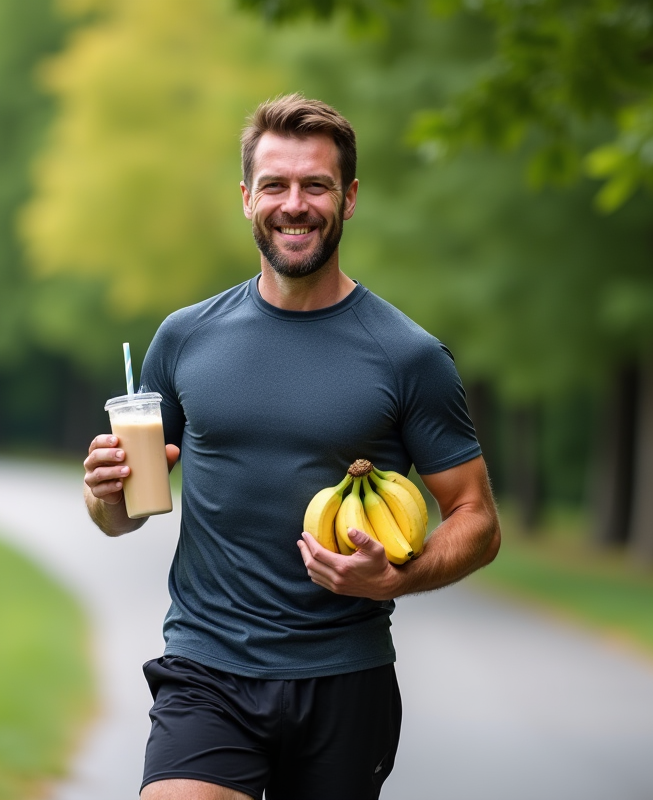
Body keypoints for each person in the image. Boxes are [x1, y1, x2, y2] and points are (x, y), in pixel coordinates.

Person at [83, 93, 500, 800]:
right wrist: (104, 496)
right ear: (247, 198)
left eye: (316, 185)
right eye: (275, 184)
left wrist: (400, 575)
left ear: (350, 197)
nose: (295, 203)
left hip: (344, 676)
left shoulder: (409, 355)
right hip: (207, 669)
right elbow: (126, 514)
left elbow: (477, 520)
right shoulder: (184, 338)